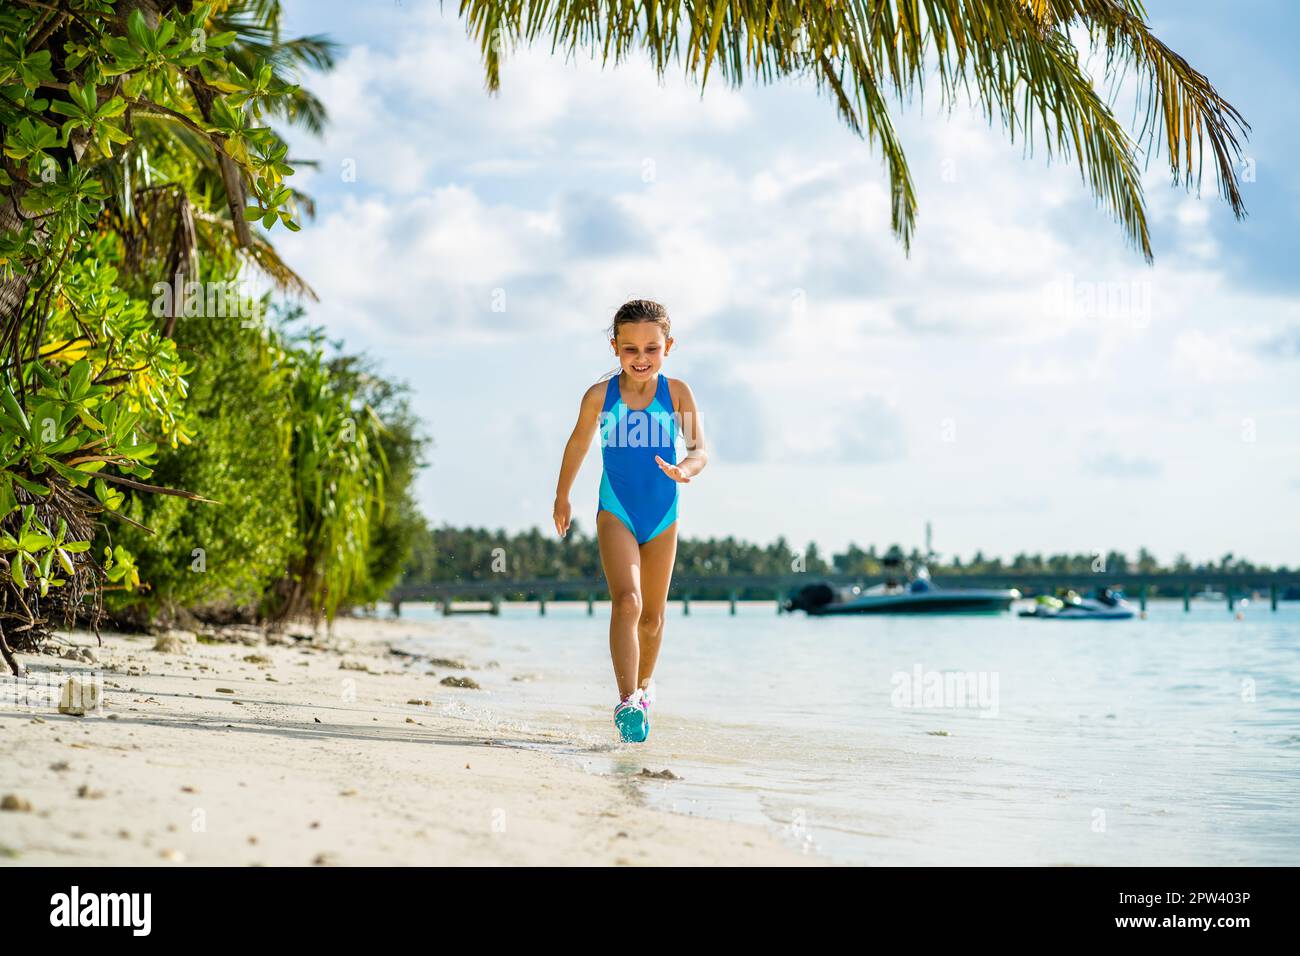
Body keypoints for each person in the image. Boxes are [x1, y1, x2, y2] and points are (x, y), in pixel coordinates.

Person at [552, 299, 709, 742]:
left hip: (663, 515)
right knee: (628, 602)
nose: (641, 359)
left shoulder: (677, 394)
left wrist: (685, 470)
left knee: (653, 619)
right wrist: (562, 495)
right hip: (616, 509)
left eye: (651, 349)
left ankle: (642, 692)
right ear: (615, 348)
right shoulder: (600, 397)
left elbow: (700, 450)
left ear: (668, 346)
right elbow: (578, 443)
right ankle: (626, 702)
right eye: (630, 350)